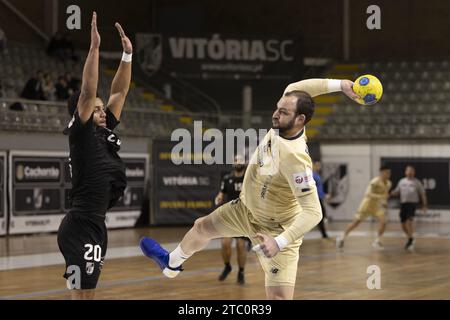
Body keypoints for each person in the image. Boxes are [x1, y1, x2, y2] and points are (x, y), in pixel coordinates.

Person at [140, 78, 359, 300]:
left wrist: (280, 241)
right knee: (201, 228)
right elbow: (296, 88)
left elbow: (314, 212)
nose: (275, 114)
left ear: (300, 119)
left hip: (274, 230)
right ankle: (171, 265)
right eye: (277, 108)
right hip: (245, 210)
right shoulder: (282, 124)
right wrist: (340, 85)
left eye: (283, 112)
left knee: (278, 298)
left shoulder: (296, 159)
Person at [57, 12, 132, 300]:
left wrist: (127, 56)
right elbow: (88, 92)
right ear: (83, 111)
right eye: (97, 108)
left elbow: (121, 91)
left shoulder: (104, 128)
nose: (103, 111)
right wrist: (95, 49)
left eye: (103, 109)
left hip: (97, 225)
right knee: (81, 295)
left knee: (88, 295)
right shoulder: (81, 132)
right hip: (78, 226)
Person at [336, 166, 392, 249]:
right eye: (386, 172)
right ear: (381, 172)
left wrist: (384, 202)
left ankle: (377, 241)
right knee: (355, 223)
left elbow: (385, 195)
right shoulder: (375, 182)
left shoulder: (388, 183)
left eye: (389, 173)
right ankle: (342, 237)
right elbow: (367, 194)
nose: (388, 174)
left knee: (383, 222)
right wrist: (380, 197)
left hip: (377, 206)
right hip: (367, 205)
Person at [214, 155, 248, 285]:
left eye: (241, 160)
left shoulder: (249, 178)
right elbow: (221, 193)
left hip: (243, 217)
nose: (238, 162)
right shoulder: (227, 178)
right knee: (225, 243)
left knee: (240, 245)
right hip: (230, 216)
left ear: (244, 163)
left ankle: (241, 271)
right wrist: (218, 198)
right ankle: (227, 266)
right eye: (236, 160)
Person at [390, 165, 427, 252]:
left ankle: (410, 241)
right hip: (403, 204)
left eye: (412, 171)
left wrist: (424, 205)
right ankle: (410, 237)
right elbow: (396, 192)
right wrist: (391, 193)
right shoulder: (401, 181)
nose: (410, 172)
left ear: (414, 172)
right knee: (403, 224)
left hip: (412, 204)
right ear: (405, 172)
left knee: (409, 222)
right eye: (408, 170)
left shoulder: (417, 182)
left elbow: (422, 194)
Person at [312, 160, 329, 238]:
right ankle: (324, 234)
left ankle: (323, 233)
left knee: (322, 215)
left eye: (320, 165)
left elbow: (319, 188)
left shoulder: (317, 175)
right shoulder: (312, 175)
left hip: (319, 198)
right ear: (313, 165)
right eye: (317, 165)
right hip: (316, 199)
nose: (319, 167)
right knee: (321, 215)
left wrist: (324, 195)